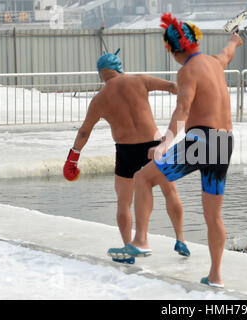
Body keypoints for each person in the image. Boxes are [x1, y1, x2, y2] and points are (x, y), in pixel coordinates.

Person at [107, 13, 242, 288]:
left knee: (144, 178)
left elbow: (183, 109)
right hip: (224, 142)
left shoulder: (187, 71)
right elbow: (228, 52)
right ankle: (215, 275)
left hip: (201, 141)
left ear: (175, 50)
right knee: (213, 216)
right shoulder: (216, 63)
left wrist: (164, 144)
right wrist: (235, 41)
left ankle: (142, 239)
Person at [63, 49, 190, 264]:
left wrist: (73, 158)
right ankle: (180, 239)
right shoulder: (139, 80)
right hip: (153, 146)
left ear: (101, 74)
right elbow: (172, 87)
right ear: (119, 68)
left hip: (125, 152)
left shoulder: (98, 100)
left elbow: (84, 131)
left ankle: (128, 247)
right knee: (170, 191)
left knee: (124, 202)